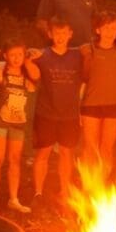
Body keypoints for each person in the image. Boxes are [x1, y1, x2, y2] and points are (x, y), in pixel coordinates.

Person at [30, 16, 81, 204]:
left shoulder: (77, 56)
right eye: (56, 33)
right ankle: (38, 192)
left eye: (64, 33)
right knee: (43, 152)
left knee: (67, 153)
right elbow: (32, 74)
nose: (60, 37)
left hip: (70, 114)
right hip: (47, 112)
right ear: (50, 34)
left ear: (70, 34)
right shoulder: (42, 55)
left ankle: (64, 190)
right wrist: (28, 58)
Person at [0, 40, 37, 215]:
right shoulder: (1, 71)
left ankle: (13, 199)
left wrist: (30, 60)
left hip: (18, 122)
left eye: (20, 55)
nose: (16, 58)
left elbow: (37, 77)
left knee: (15, 160)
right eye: (13, 55)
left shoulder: (27, 74)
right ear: (6, 56)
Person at [79, 12, 116, 170]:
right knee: (90, 148)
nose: (110, 32)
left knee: (107, 149)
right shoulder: (89, 51)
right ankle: (88, 187)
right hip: (91, 105)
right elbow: (82, 80)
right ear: (98, 30)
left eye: (114, 28)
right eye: (106, 28)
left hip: (114, 105)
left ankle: (102, 187)